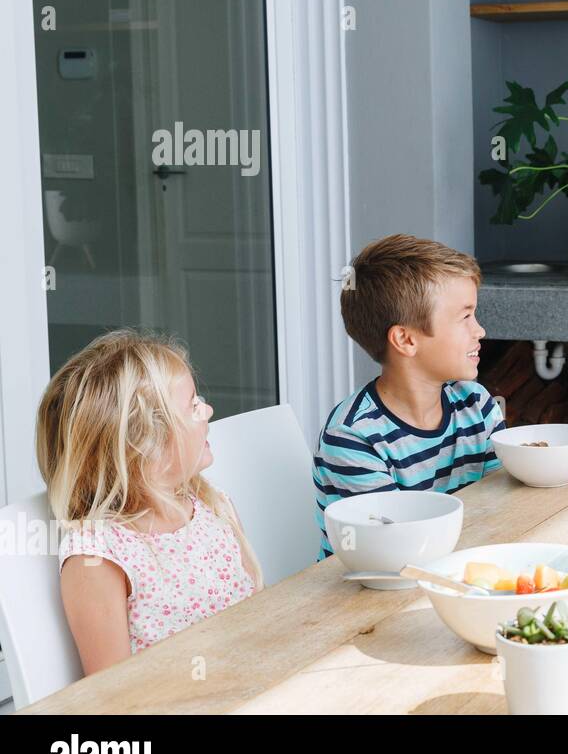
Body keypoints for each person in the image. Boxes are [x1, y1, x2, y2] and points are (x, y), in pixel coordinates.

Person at [39, 330, 263, 675]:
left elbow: (262, 622)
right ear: (146, 445)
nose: (208, 409)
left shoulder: (214, 507)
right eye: (192, 406)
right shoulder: (98, 558)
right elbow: (111, 699)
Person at [314, 234, 505, 558]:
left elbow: (502, 507)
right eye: (464, 317)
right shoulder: (353, 438)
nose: (479, 330)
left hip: (459, 570)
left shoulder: (477, 405)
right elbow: (391, 552)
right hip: (372, 596)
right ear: (405, 340)